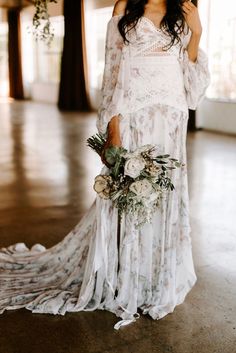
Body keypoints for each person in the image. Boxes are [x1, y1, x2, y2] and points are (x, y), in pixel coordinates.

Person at [0, 0, 210, 329]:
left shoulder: (183, 13)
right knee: (129, 199)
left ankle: (157, 278)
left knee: (162, 198)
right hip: (134, 119)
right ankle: (125, 278)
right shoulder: (124, 8)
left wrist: (196, 32)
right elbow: (112, 74)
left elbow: (193, 88)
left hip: (170, 120)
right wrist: (113, 130)